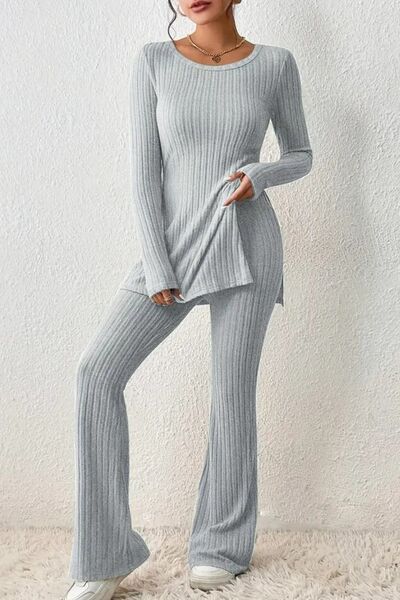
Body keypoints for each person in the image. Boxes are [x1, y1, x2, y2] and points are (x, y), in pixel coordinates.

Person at [64, 0, 313, 598]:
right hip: (172, 247)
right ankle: (106, 555)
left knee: (231, 396)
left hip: (247, 244)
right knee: (97, 372)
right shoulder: (154, 61)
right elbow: (144, 172)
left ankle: (220, 546)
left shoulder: (275, 64)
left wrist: (259, 175)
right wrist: (157, 262)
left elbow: (300, 155)